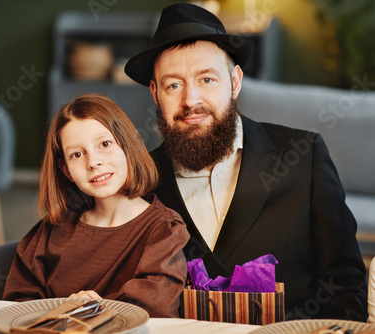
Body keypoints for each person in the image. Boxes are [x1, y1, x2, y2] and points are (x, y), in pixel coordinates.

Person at [124, 3, 367, 320]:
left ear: (235, 82)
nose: (191, 100)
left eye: (207, 79)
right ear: (155, 94)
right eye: (174, 85)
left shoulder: (304, 156)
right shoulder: (141, 182)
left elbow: (346, 287)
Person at [2, 93, 190, 318]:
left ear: (127, 146)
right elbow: (18, 304)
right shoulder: (54, 228)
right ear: (66, 171)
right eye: (77, 154)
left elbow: (154, 307)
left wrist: (94, 311)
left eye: (105, 144)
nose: (93, 162)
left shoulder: (164, 230)